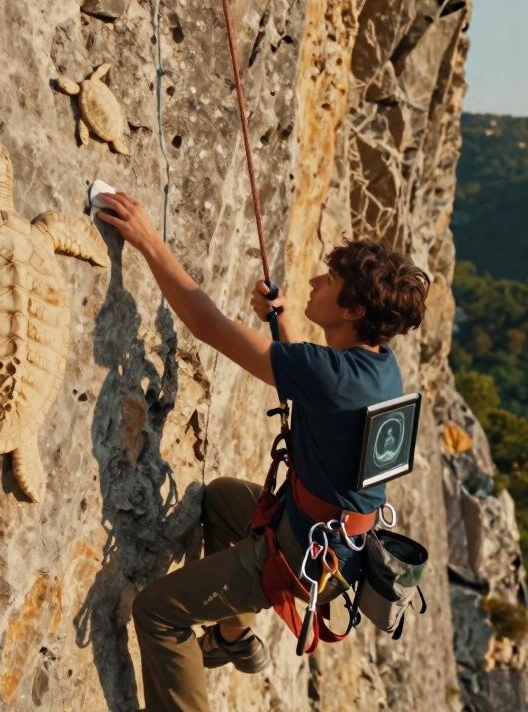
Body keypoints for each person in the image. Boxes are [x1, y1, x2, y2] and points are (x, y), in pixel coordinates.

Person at [95, 191, 430, 711]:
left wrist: (147, 240)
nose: (315, 283)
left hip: (305, 552)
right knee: (225, 500)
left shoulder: (334, 375)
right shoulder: (377, 364)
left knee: (159, 613)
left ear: (354, 310)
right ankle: (231, 636)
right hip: (333, 543)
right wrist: (281, 320)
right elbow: (314, 380)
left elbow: (209, 328)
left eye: (330, 282)